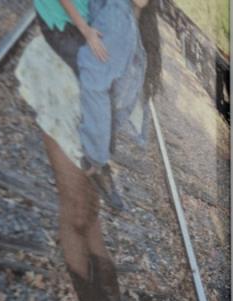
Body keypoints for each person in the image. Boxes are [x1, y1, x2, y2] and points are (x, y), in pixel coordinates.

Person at [19, 0, 162, 301]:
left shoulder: (137, 19)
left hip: (94, 103)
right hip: (61, 86)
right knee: (77, 210)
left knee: (91, 209)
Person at [34, 0, 151, 211]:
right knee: (97, 84)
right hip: (64, 25)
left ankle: (99, 156)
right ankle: (94, 160)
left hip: (84, 14)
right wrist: (85, 30)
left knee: (110, 82)